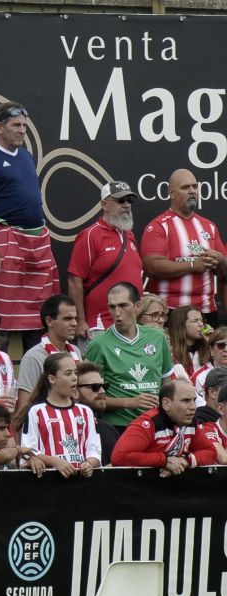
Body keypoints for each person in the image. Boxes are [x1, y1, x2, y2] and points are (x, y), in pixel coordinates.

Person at [0, 104, 55, 336]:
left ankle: (36, 369)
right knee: (0, 307)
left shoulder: (26, 156)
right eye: (16, 125)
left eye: (24, 125)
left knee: (39, 309)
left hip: (36, 241)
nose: (22, 130)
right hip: (5, 238)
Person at [82, 282, 177, 431]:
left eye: (123, 305)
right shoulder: (99, 344)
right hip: (119, 426)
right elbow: (88, 396)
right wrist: (129, 402)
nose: (117, 312)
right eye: (112, 307)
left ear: (137, 306)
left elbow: (167, 382)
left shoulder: (157, 337)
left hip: (156, 422)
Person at [142, 168, 227, 317]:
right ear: (171, 193)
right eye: (185, 187)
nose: (192, 191)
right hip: (171, 311)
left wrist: (220, 260)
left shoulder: (209, 226)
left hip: (206, 311)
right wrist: (193, 265)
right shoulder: (159, 226)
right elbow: (151, 267)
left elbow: (224, 273)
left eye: (194, 186)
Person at [67, 180, 142, 332]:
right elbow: (74, 280)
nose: (126, 205)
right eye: (120, 201)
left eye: (129, 201)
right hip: (100, 326)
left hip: (131, 325)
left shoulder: (130, 235)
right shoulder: (90, 235)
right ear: (104, 205)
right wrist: (80, 321)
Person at [111, 376, 216, 472]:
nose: (193, 407)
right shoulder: (148, 423)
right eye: (186, 401)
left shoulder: (190, 422)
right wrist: (164, 461)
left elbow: (210, 452)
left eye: (194, 400)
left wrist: (184, 461)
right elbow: (120, 457)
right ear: (166, 404)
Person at [21, 351, 103, 474]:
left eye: (75, 373)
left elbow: (95, 448)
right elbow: (28, 450)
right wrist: (56, 462)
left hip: (79, 481)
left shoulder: (85, 411)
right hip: (49, 482)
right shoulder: (36, 411)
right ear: (52, 378)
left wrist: (90, 463)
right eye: (68, 373)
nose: (74, 377)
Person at [15, 295, 83, 412]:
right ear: (49, 321)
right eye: (67, 318)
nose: (74, 323)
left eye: (75, 318)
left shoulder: (75, 351)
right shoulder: (33, 357)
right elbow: (24, 406)